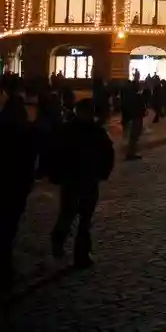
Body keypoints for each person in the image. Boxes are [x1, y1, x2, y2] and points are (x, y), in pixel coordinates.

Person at [49, 99, 114, 269]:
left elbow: (108, 155)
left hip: (87, 180)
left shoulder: (95, 132)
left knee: (84, 218)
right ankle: (60, 240)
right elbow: (55, 154)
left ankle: (81, 254)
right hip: (73, 179)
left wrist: (102, 173)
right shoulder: (69, 131)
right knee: (68, 214)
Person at [0, 93, 38, 287]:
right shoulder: (26, 131)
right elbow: (30, 159)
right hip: (17, 184)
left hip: (6, 182)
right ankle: (6, 268)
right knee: (9, 225)